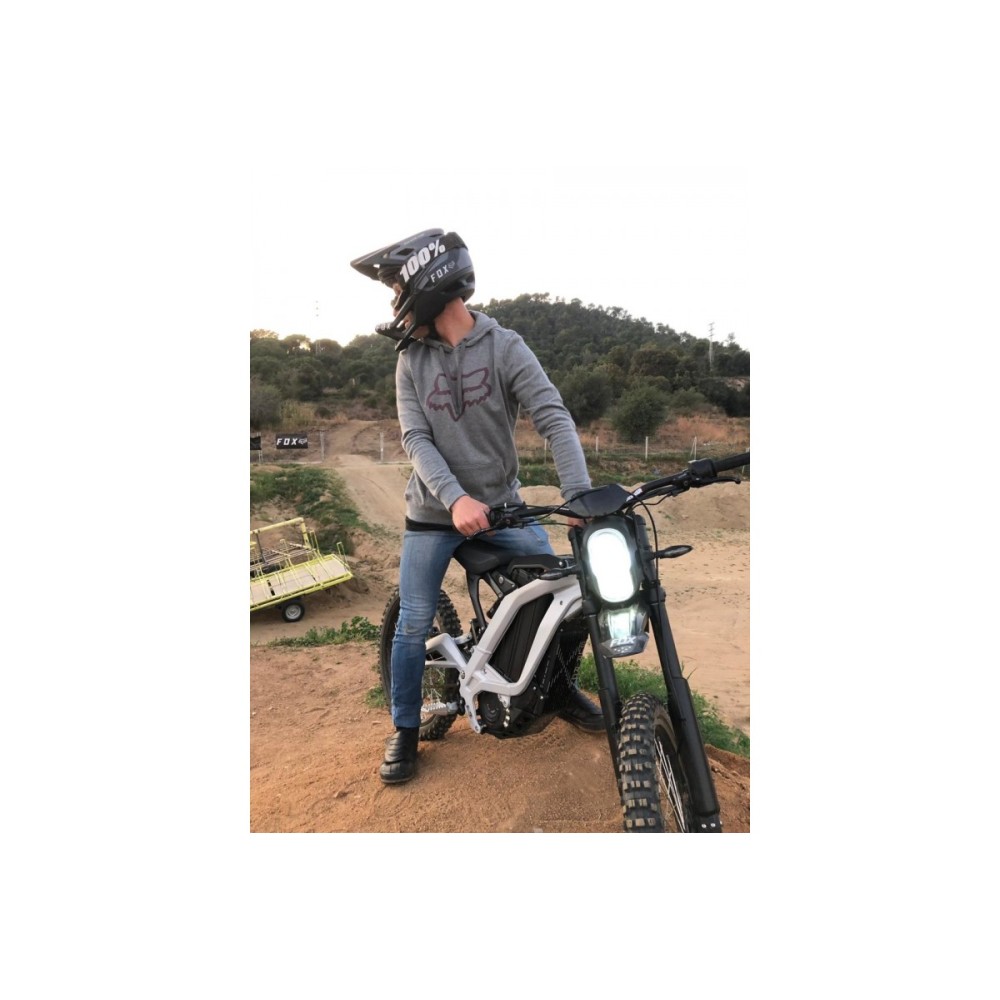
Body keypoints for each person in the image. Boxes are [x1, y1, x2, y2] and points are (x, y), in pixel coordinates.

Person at [350, 229, 604, 785]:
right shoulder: (409, 359)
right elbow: (416, 440)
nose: (395, 304)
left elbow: (553, 416)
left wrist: (578, 493)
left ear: (427, 284)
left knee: (562, 592)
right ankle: (406, 728)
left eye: (397, 290)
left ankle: (558, 689)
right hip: (432, 515)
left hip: (502, 508)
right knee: (413, 622)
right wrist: (455, 498)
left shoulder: (504, 346)